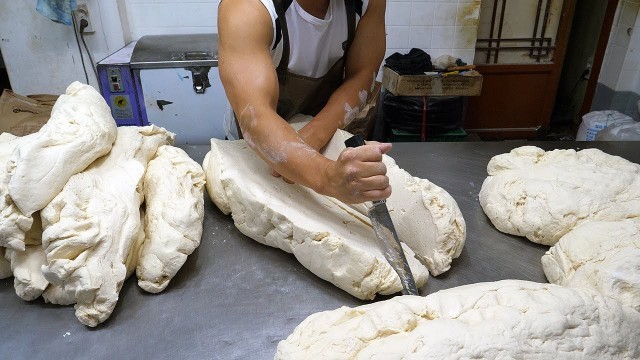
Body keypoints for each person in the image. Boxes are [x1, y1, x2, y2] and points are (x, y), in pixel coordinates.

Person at [217, 0, 390, 204]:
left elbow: (361, 74)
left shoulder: (368, 3)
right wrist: (327, 177)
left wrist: (314, 137)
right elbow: (256, 114)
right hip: (257, 146)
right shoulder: (247, 7)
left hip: (326, 136)